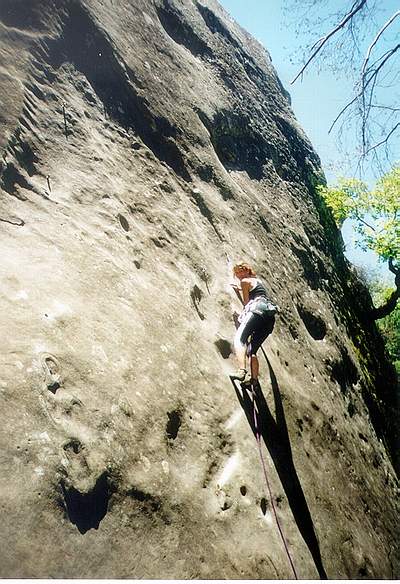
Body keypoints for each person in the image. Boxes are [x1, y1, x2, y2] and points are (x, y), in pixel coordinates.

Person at [230, 261, 276, 385]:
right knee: (252, 350)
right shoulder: (258, 281)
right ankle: (254, 381)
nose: (239, 274)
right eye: (237, 273)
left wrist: (240, 288)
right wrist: (241, 288)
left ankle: (241, 371)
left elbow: (246, 302)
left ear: (247, 271)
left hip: (257, 310)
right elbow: (254, 292)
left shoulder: (245, 282)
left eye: (241, 271)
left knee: (239, 339)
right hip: (269, 316)